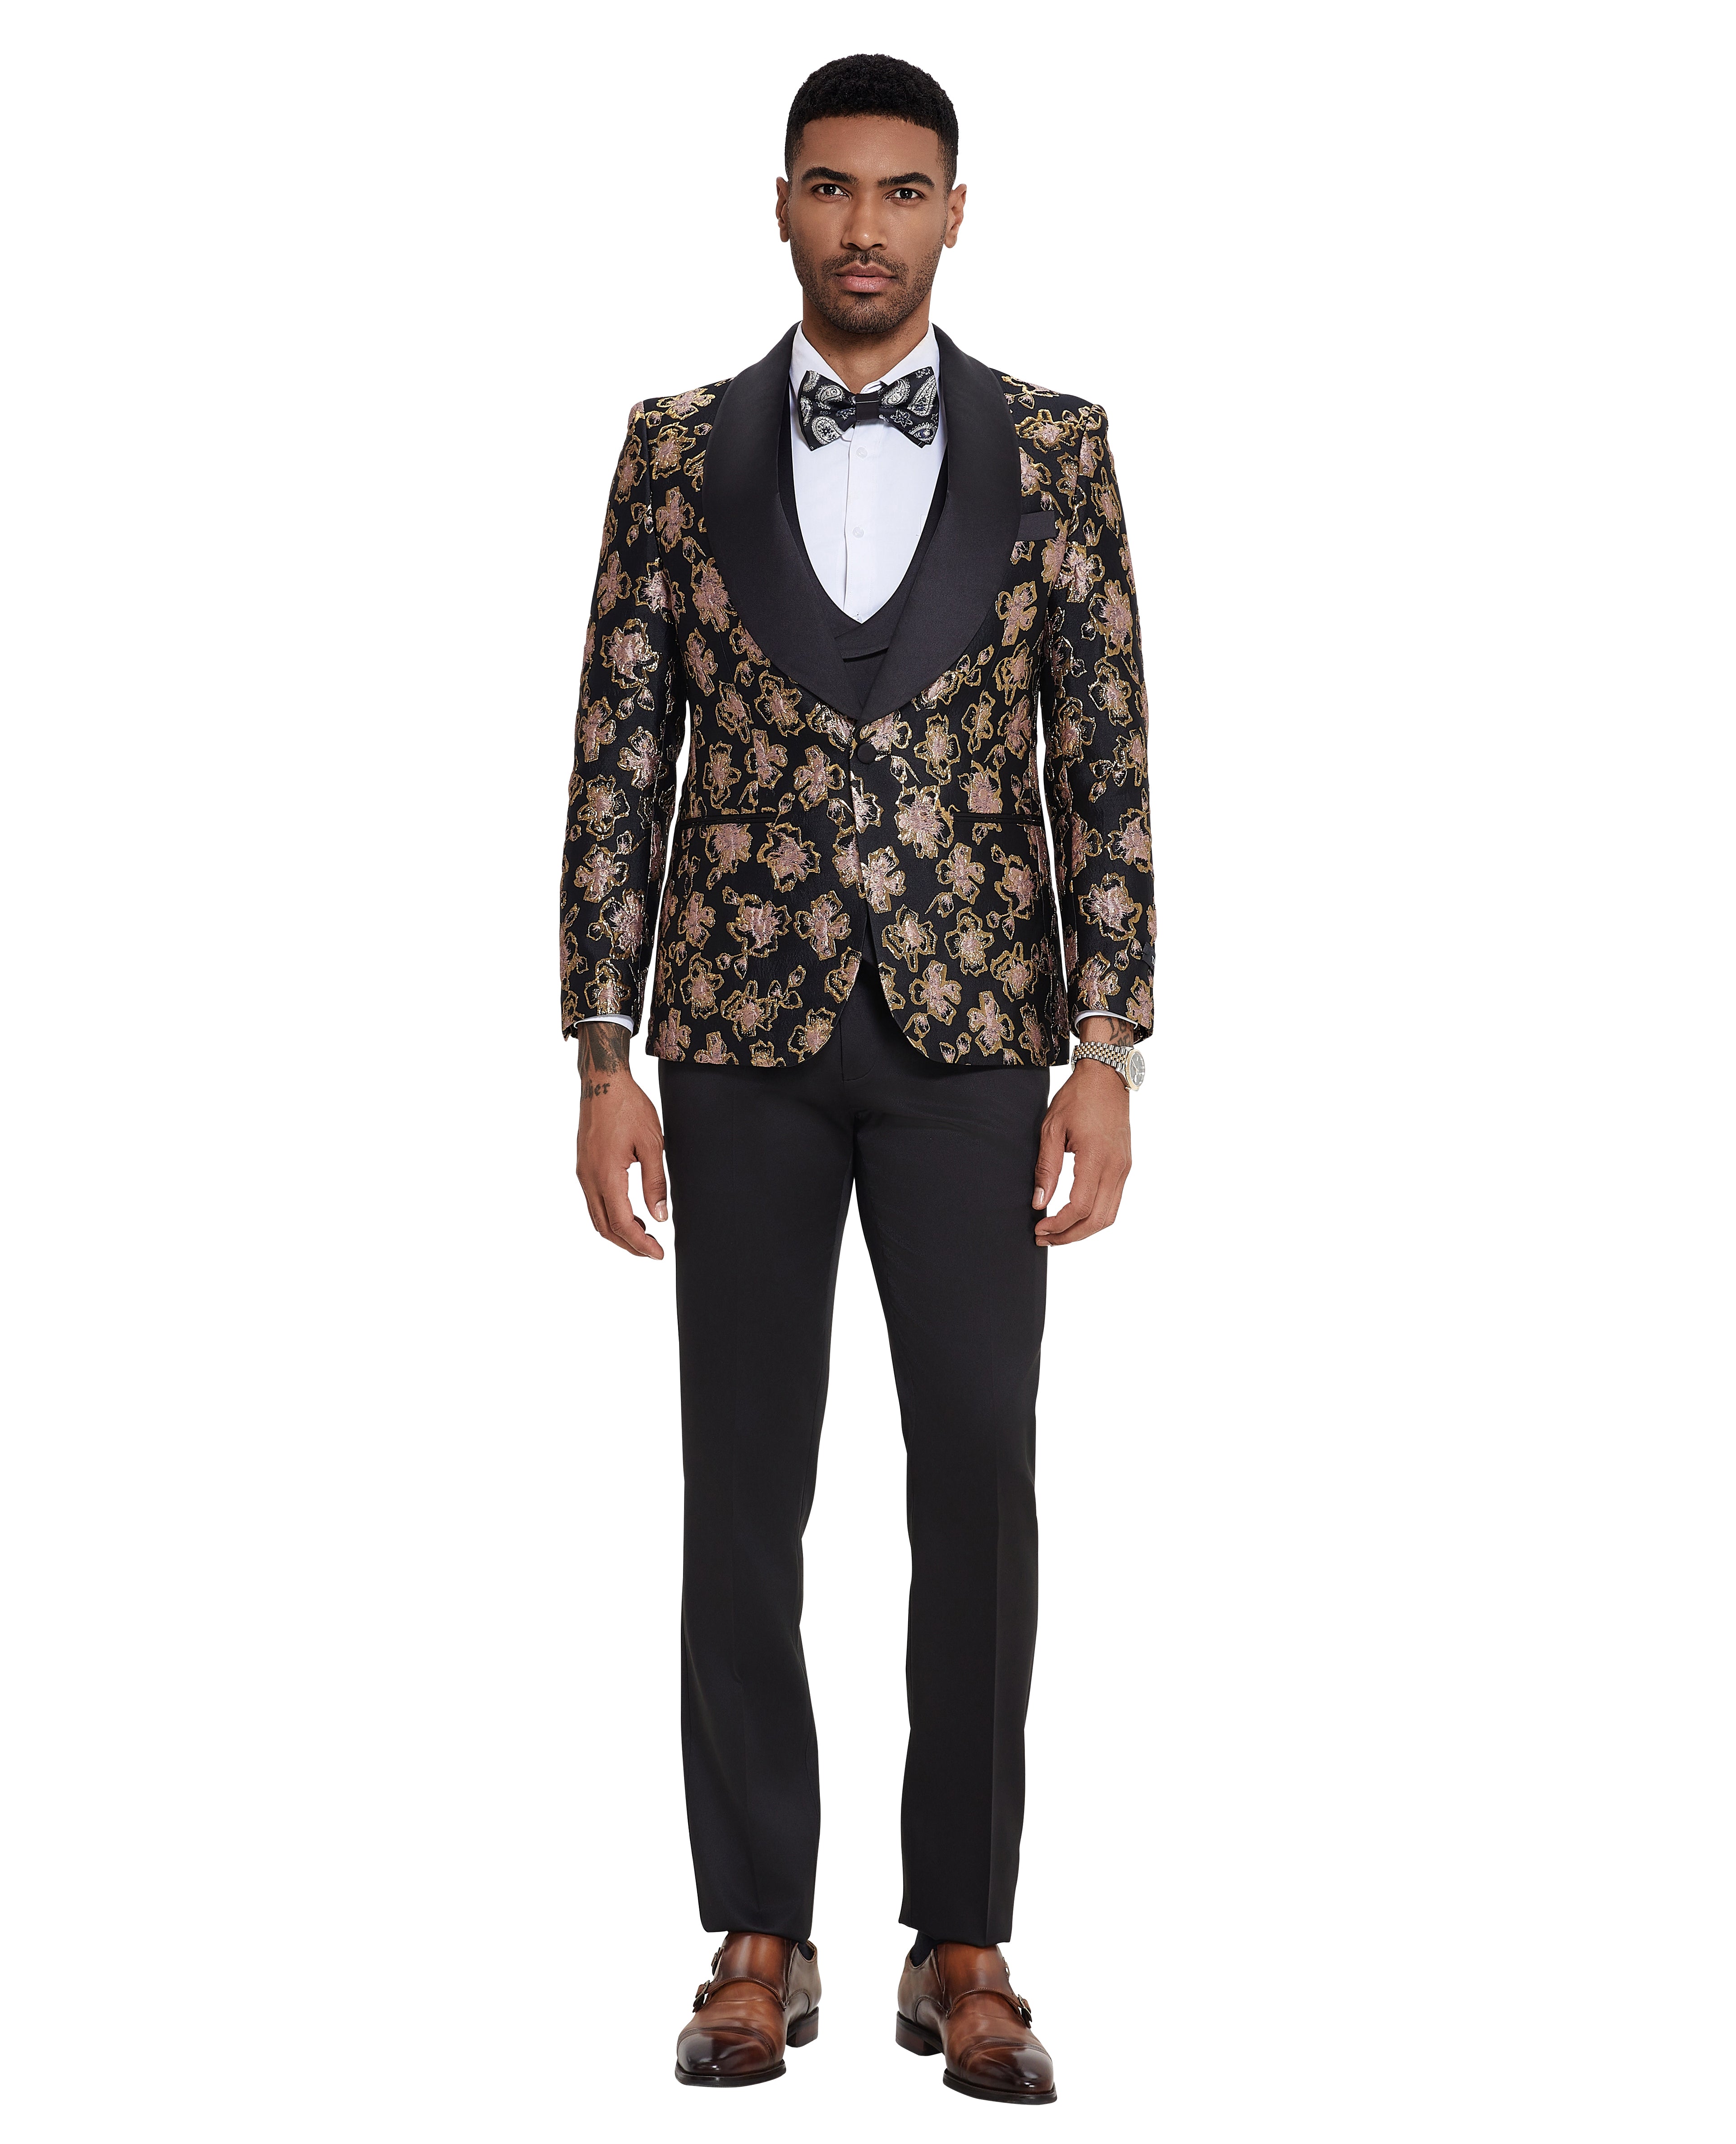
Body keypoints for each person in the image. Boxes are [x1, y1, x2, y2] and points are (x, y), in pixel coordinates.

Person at [560, 52, 1153, 2107]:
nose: (868, 227)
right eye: (833, 188)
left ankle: (961, 1935)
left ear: (955, 213)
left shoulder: (1056, 449)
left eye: (905, 192)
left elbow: (1106, 758)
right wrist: (602, 1048)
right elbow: (619, 755)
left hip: (981, 1036)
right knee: (743, 1481)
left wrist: (1108, 1048)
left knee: (976, 1474)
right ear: (782, 204)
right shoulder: (673, 450)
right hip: (734, 1036)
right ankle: (757, 1930)